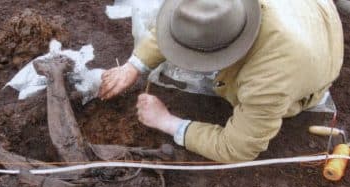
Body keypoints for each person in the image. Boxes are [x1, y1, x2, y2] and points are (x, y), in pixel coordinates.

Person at [99, 0, 344, 163]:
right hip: (305, 8)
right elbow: (181, 26)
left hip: (319, 52)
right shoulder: (224, 6)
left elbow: (238, 148)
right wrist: (134, 65)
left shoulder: (270, 77)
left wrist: (166, 121)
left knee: (252, 97)